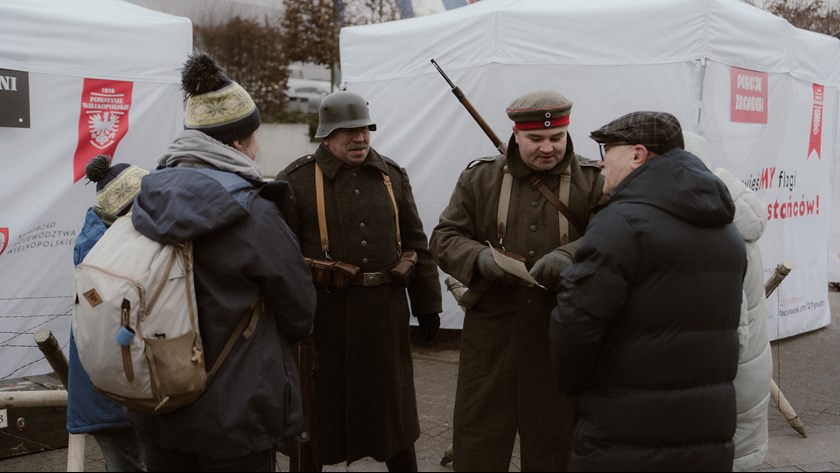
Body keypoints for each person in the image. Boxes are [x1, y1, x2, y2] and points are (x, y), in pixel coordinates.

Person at [124, 51, 316, 472]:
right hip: (235, 415)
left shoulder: (145, 199)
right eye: (255, 134)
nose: (259, 144)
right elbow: (300, 311)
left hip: (160, 402)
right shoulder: (256, 213)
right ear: (237, 142)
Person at [549, 111, 747, 471]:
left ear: (638, 155)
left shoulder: (621, 224)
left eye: (607, 148)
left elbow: (575, 325)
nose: (600, 160)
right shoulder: (725, 228)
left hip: (624, 433)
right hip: (706, 432)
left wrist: (575, 389)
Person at [429, 90, 605, 471]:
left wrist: (570, 254)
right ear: (515, 135)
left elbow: (613, 235)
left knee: (556, 445)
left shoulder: (592, 181)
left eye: (556, 138)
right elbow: (444, 237)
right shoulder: (481, 178)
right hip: (492, 338)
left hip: (561, 333)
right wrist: (479, 259)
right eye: (536, 140)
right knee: (479, 444)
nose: (547, 148)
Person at [277, 90, 443, 472]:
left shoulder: (392, 176)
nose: (360, 139)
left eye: (365, 129)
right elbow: (281, 261)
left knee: (394, 418)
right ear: (326, 135)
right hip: (323, 323)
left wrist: (428, 305)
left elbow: (417, 243)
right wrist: (287, 322)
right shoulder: (296, 181)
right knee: (315, 419)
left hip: (384, 319)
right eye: (348, 131)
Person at [683, 131, 772, 471]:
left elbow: (726, 337)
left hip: (729, 392)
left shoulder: (717, 232)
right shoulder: (728, 217)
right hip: (745, 382)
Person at [69, 153, 147, 472]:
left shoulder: (96, 239)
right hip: (118, 391)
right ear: (129, 208)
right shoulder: (113, 252)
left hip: (102, 387)